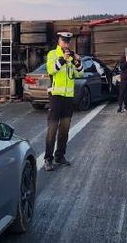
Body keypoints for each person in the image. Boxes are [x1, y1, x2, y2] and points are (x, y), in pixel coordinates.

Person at [44, 32, 84, 171]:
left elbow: (79, 73)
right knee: (52, 129)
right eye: (64, 41)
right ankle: (48, 159)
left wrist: (77, 62)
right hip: (56, 96)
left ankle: (59, 156)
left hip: (68, 97)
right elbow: (51, 70)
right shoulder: (52, 54)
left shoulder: (71, 56)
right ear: (59, 40)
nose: (66, 44)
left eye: (68, 41)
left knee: (64, 130)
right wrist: (62, 59)